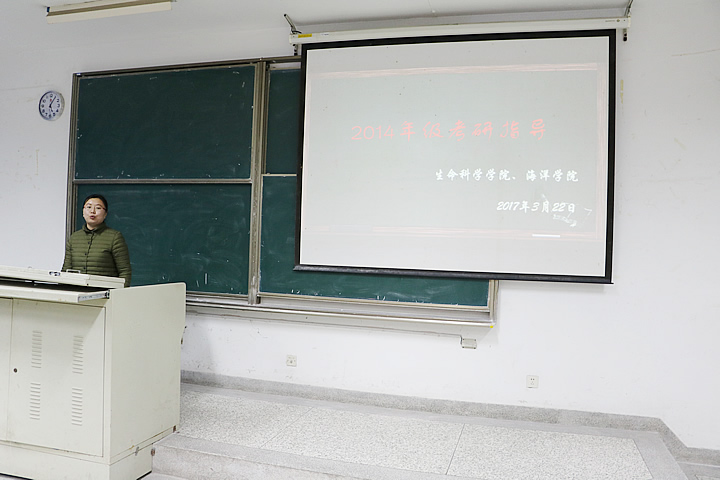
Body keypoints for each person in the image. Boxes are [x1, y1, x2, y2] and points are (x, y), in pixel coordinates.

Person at [62, 194, 132, 286]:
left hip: (104, 292)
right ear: (83, 212)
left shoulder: (115, 237)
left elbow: (124, 271)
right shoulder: (74, 238)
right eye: (89, 207)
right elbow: (65, 270)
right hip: (76, 291)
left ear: (105, 214)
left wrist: (118, 292)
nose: (92, 211)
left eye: (98, 208)